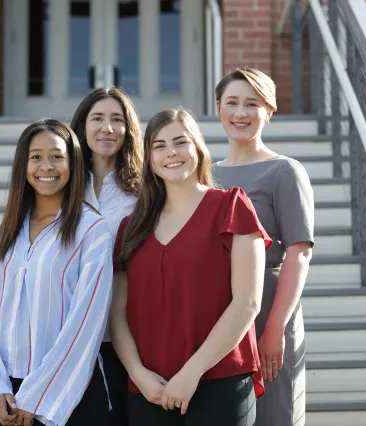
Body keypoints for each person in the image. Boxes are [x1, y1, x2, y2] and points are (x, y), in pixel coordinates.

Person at [110, 108, 272, 426]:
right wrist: (137, 374)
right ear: (149, 159)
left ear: (197, 147)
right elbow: (116, 314)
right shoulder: (131, 227)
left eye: (180, 142)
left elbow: (247, 303)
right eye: (159, 145)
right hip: (149, 388)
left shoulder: (231, 206)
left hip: (220, 380)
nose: (171, 152)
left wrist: (191, 372)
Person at [0, 118, 113, 426]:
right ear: (23, 165)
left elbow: (86, 323)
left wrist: (39, 394)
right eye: (36, 157)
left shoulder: (92, 230)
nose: (45, 166)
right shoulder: (5, 235)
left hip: (68, 396)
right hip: (4, 398)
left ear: (73, 164)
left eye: (57, 156)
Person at [212, 67, 315, 426]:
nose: (241, 113)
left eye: (252, 104)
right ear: (218, 107)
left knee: (274, 416)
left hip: (268, 313)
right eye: (233, 103)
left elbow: (299, 252)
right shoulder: (205, 176)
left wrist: (274, 328)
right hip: (215, 319)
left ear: (269, 111)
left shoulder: (284, 171)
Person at [70, 87, 143, 426]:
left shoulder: (145, 191)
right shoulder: (62, 186)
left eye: (117, 120)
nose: (107, 129)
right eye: (97, 119)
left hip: (124, 338)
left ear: (129, 130)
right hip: (69, 337)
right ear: (82, 126)